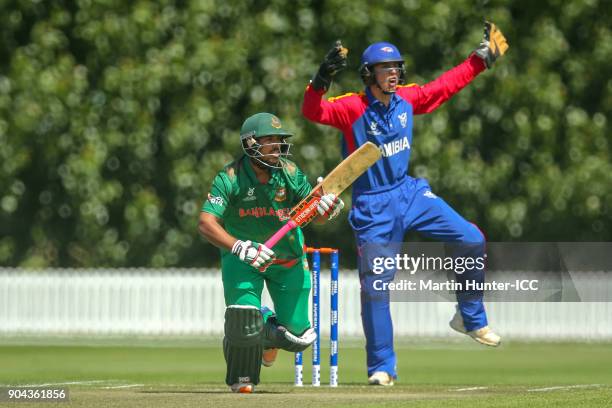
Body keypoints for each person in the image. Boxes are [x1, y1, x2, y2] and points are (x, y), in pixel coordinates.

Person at [302, 22, 508, 386]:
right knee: (377, 288)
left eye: (396, 67)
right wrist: (322, 78)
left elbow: (443, 87)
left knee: (471, 238)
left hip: (409, 192)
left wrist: (480, 60)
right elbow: (313, 111)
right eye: (385, 69)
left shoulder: (406, 100)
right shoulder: (352, 107)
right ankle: (382, 367)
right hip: (372, 206)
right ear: (369, 75)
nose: (393, 74)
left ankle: (470, 318)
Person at [199, 112, 344, 393]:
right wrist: (240, 247)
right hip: (243, 258)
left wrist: (327, 208)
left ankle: (262, 333)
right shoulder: (229, 178)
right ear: (250, 143)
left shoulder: (290, 174)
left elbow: (314, 213)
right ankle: (244, 371)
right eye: (270, 142)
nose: (277, 148)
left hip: (286, 260)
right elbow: (206, 224)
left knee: (299, 338)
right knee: (242, 317)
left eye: (280, 142)